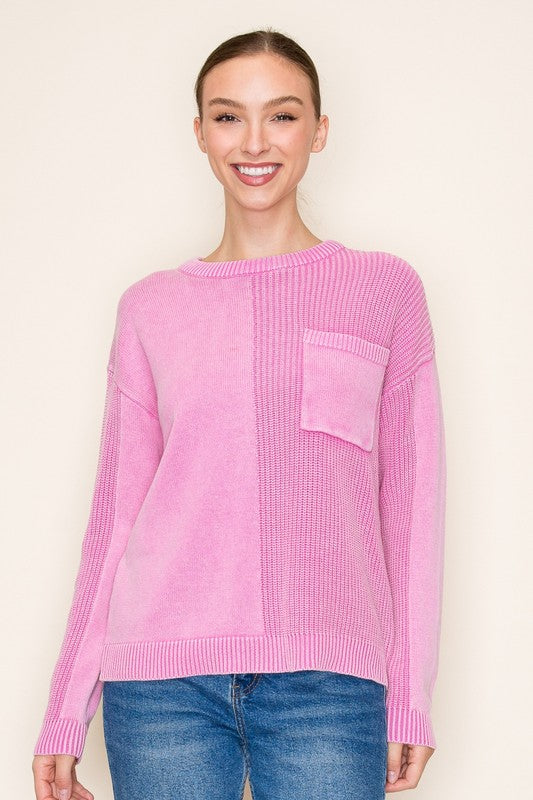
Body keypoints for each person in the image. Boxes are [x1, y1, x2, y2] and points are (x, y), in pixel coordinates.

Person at [32, 27, 446, 800]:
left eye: (282, 115)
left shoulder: (383, 290)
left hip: (329, 683)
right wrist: (64, 711)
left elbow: (412, 508)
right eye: (228, 116)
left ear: (319, 130)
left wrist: (411, 696)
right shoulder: (151, 307)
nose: (254, 141)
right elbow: (115, 518)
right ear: (200, 132)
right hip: (160, 687)